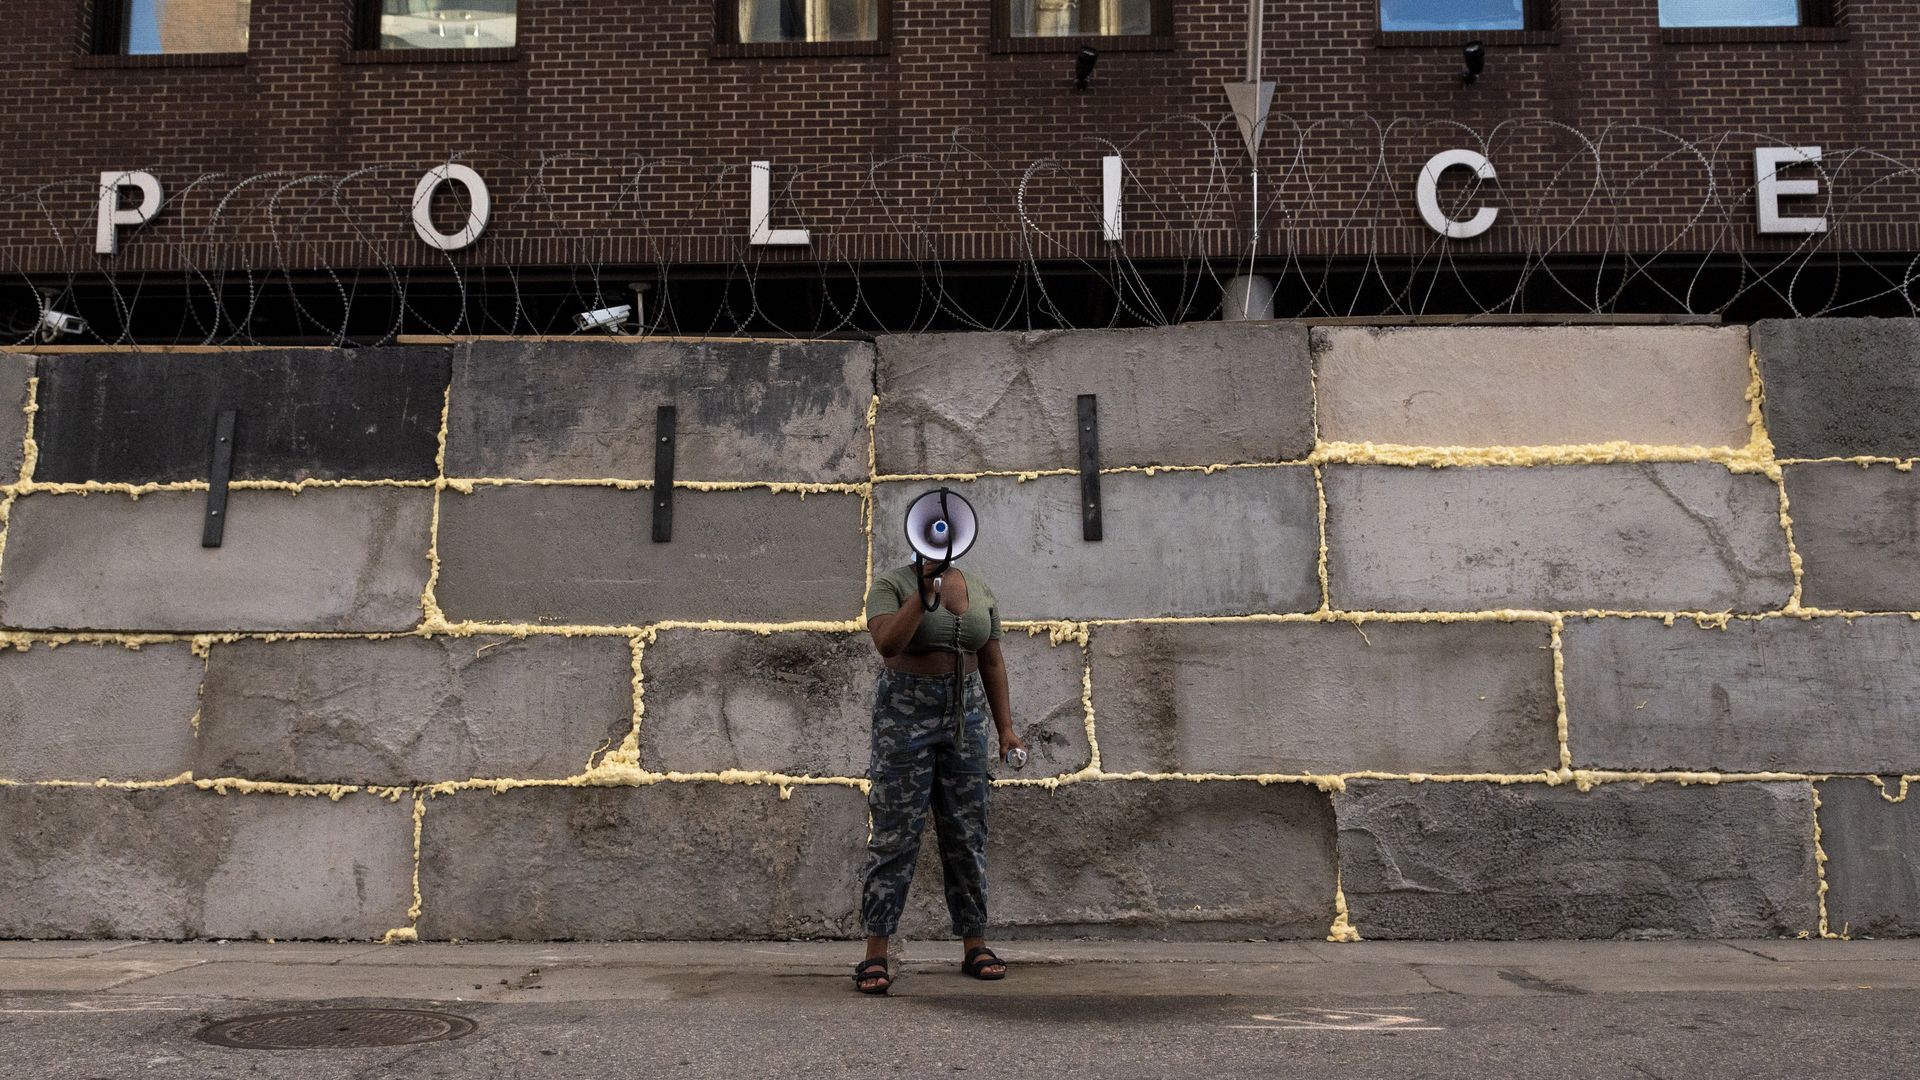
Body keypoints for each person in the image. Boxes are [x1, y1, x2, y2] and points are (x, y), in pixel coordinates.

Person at [852, 554, 1026, 995]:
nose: (939, 542)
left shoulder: (979, 587)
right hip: (905, 715)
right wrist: (923, 592)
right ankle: (875, 952)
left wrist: (1006, 729)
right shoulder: (890, 585)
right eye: (930, 531)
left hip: (966, 716)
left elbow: (991, 660)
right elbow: (888, 644)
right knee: (895, 832)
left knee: (968, 831)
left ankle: (974, 943)